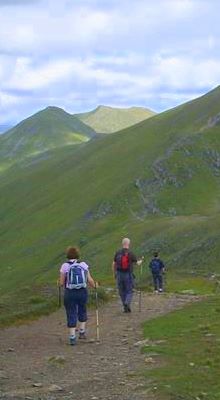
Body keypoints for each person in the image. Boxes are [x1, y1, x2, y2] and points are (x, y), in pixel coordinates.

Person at [60, 246, 97, 345]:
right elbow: (89, 279)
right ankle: (82, 332)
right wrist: (95, 286)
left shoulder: (65, 266)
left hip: (70, 292)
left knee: (71, 312)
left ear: (67, 255)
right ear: (77, 254)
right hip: (82, 291)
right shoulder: (83, 264)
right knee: (82, 309)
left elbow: (61, 282)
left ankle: (72, 337)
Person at [112, 238, 143, 313]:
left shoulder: (118, 252)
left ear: (122, 243)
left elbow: (114, 263)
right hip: (128, 274)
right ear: (128, 244)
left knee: (121, 291)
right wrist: (141, 261)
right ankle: (127, 303)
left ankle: (125, 306)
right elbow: (137, 263)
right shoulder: (131, 253)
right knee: (129, 290)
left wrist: (114, 273)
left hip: (119, 274)